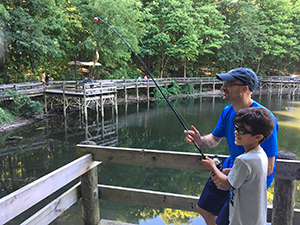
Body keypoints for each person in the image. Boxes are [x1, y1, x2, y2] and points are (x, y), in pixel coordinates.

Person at [184, 67, 278, 225]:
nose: (223, 87)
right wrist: (199, 140)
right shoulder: (227, 111)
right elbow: (213, 140)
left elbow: (268, 167)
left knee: (230, 220)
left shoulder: (263, 121)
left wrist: (230, 174)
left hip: (248, 184)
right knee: (204, 207)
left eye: (229, 83)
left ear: (244, 89)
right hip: (229, 169)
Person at [202, 107, 275, 225]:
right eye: (236, 128)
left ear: (258, 137)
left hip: (242, 219)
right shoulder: (261, 155)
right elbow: (251, 174)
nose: (236, 132)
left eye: (242, 130)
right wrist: (232, 171)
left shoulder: (243, 160)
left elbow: (226, 184)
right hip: (256, 218)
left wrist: (213, 167)